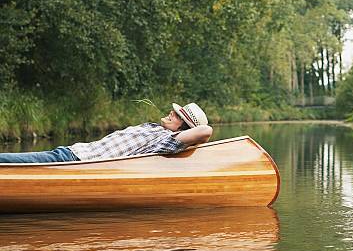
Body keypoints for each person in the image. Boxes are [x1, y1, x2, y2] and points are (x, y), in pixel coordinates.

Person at [0, 102, 213, 163]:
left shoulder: (167, 140)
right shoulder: (154, 128)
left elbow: (205, 131)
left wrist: (188, 131)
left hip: (75, 162)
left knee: (13, 161)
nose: (170, 113)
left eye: (176, 115)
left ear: (182, 128)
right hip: (73, 153)